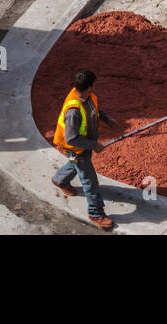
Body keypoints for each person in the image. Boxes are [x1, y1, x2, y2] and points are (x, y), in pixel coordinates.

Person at [52, 69, 121, 230]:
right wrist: (93, 145)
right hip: (76, 147)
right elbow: (71, 138)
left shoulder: (86, 96)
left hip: (80, 148)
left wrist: (106, 118)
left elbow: (93, 109)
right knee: (90, 181)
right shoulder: (73, 111)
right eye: (94, 85)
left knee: (74, 164)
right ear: (89, 87)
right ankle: (96, 213)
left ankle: (59, 179)